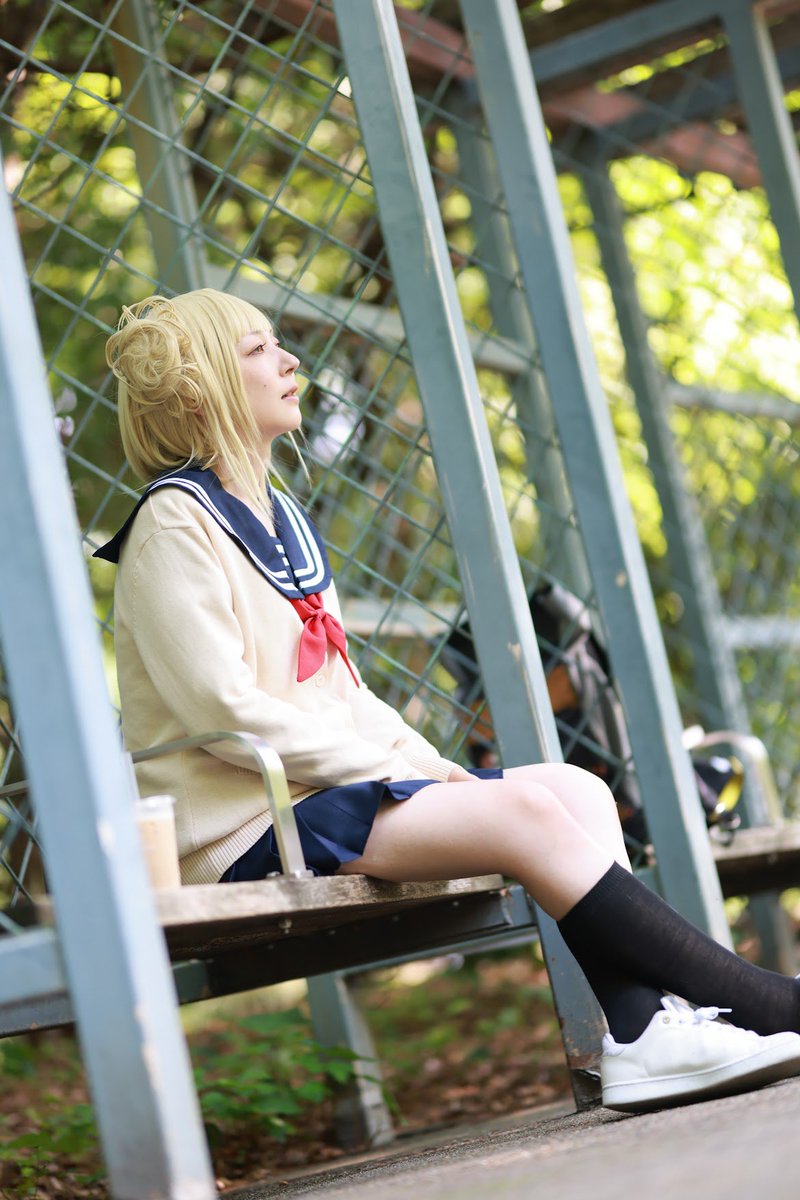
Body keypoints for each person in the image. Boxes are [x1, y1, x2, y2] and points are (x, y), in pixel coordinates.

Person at [96, 288, 800, 1115]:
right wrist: (399, 775)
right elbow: (228, 715)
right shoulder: (172, 525)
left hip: (317, 799)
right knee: (525, 814)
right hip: (246, 827)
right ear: (199, 390)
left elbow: (346, 695)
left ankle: (643, 1034)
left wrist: (431, 768)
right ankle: (764, 1002)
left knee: (575, 789)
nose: (289, 360)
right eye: (256, 350)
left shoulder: (275, 515)